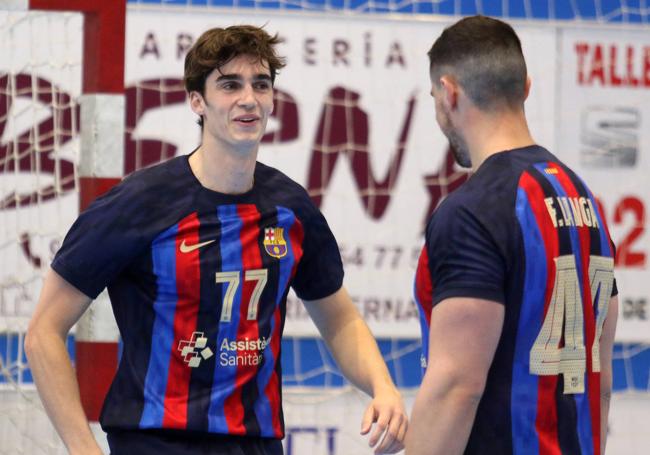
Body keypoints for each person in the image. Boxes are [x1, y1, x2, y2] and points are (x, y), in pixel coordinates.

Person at [25, 25, 407, 455]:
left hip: (256, 444)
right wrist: (83, 449)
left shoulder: (290, 208)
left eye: (260, 85)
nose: (248, 99)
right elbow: (43, 332)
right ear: (197, 101)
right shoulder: (139, 203)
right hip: (155, 442)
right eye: (229, 85)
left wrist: (384, 386)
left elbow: (340, 321)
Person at [406, 15, 618, 455]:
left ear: (449, 93)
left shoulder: (472, 211)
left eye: (434, 99)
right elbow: (602, 376)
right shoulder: (585, 200)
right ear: (526, 86)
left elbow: (455, 387)